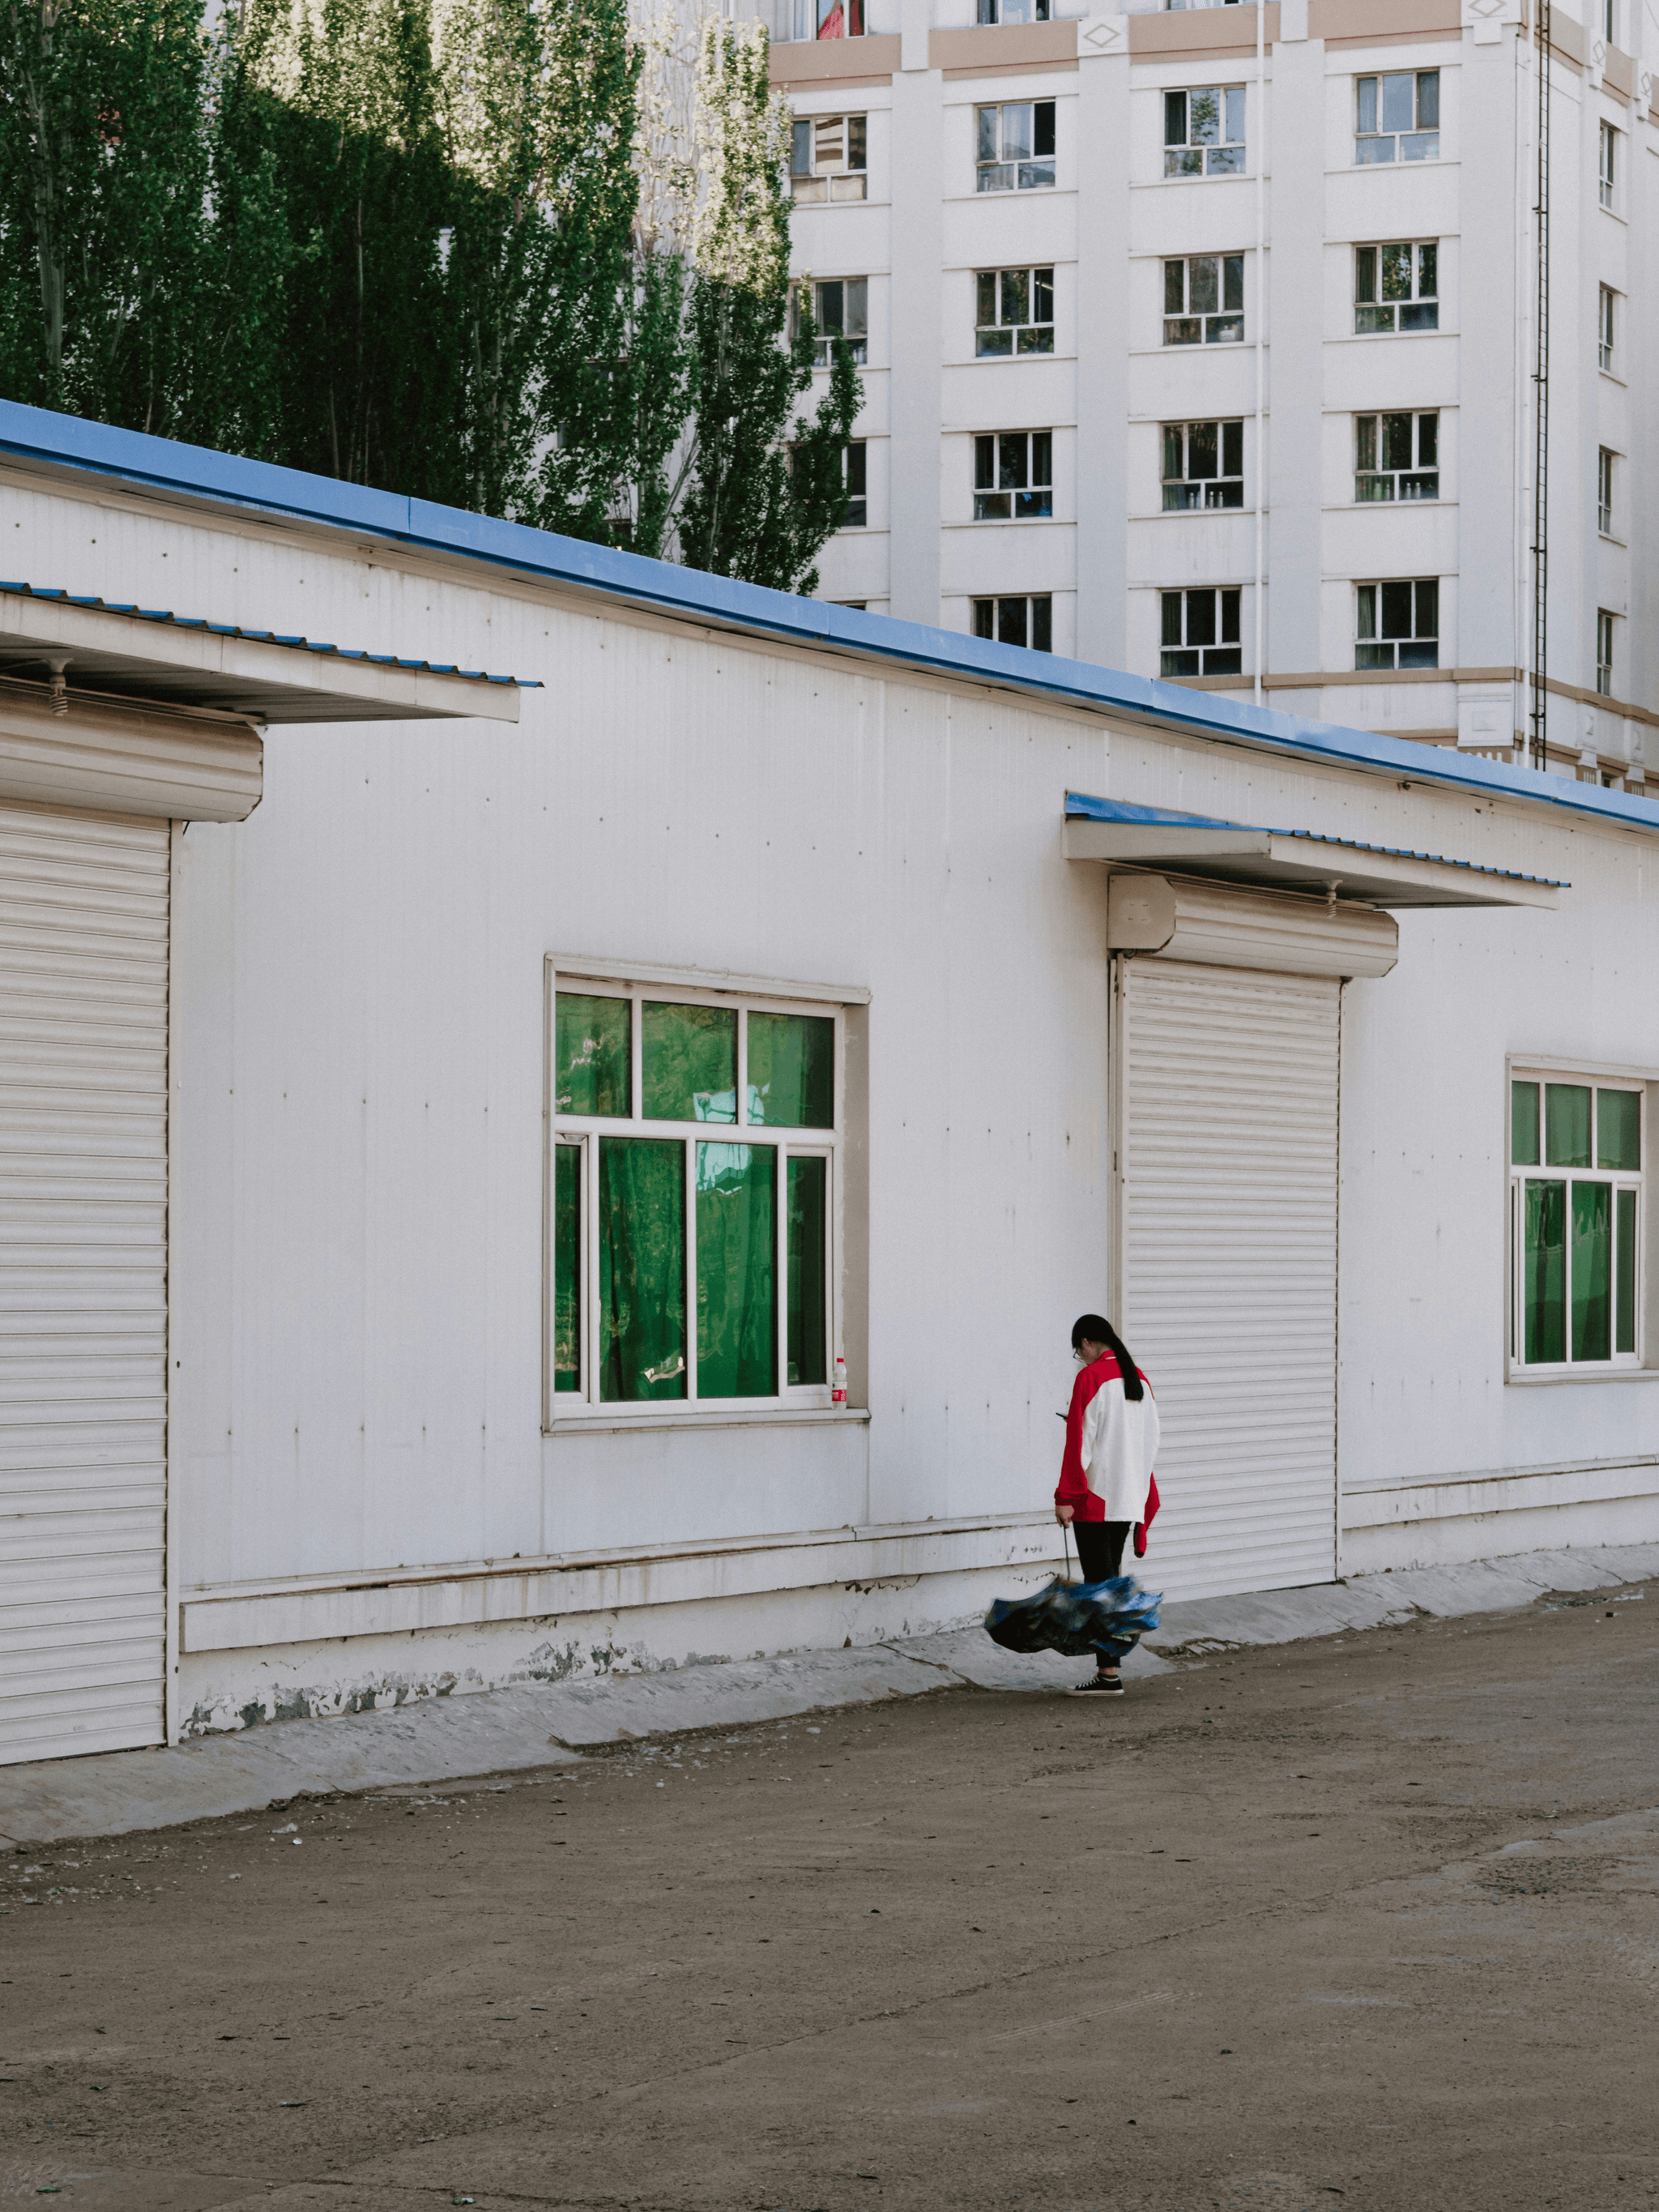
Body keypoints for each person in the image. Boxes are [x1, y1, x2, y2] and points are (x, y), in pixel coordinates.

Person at [1054, 1312, 1159, 1697]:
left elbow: (1078, 1443)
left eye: (1078, 1353)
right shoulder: (1140, 1381)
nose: (1080, 1360)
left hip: (1097, 1500)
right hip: (1128, 1499)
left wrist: (1066, 1497)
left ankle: (1108, 1675)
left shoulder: (1091, 1378)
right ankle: (1109, 1669)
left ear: (1086, 1343)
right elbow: (1149, 1444)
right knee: (1110, 1583)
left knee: (1100, 1587)